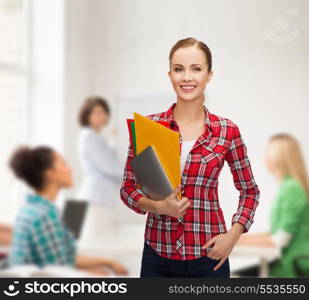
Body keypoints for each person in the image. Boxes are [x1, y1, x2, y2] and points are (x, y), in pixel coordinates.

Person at [120, 37, 260, 278]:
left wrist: (232, 236)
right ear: (170, 75)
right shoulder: (149, 126)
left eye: (196, 69)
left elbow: (250, 192)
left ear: (209, 75)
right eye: (179, 69)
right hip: (157, 255)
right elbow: (127, 189)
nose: (186, 77)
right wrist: (159, 207)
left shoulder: (227, 131)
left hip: (209, 257)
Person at [8, 146, 128, 276]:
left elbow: (65, 258)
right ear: (50, 174)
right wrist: (91, 274)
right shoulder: (45, 216)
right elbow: (57, 272)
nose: (70, 168)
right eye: (63, 164)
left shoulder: (31, 209)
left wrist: (107, 263)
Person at [238, 134, 309, 277]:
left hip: (294, 267)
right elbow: (275, 233)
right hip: (287, 264)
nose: (265, 159)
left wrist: (235, 240)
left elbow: (279, 240)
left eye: (268, 153)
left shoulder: (292, 189)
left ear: (279, 159)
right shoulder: (288, 186)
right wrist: (236, 238)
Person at [77, 96, 123, 205]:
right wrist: (134, 173)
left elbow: (109, 159)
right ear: (87, 115)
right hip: (95, 199)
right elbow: (110, 166)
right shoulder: (89, 136)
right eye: (97, 113)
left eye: (104, 112)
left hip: (98, 198)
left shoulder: (95, 137)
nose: (102, 116)